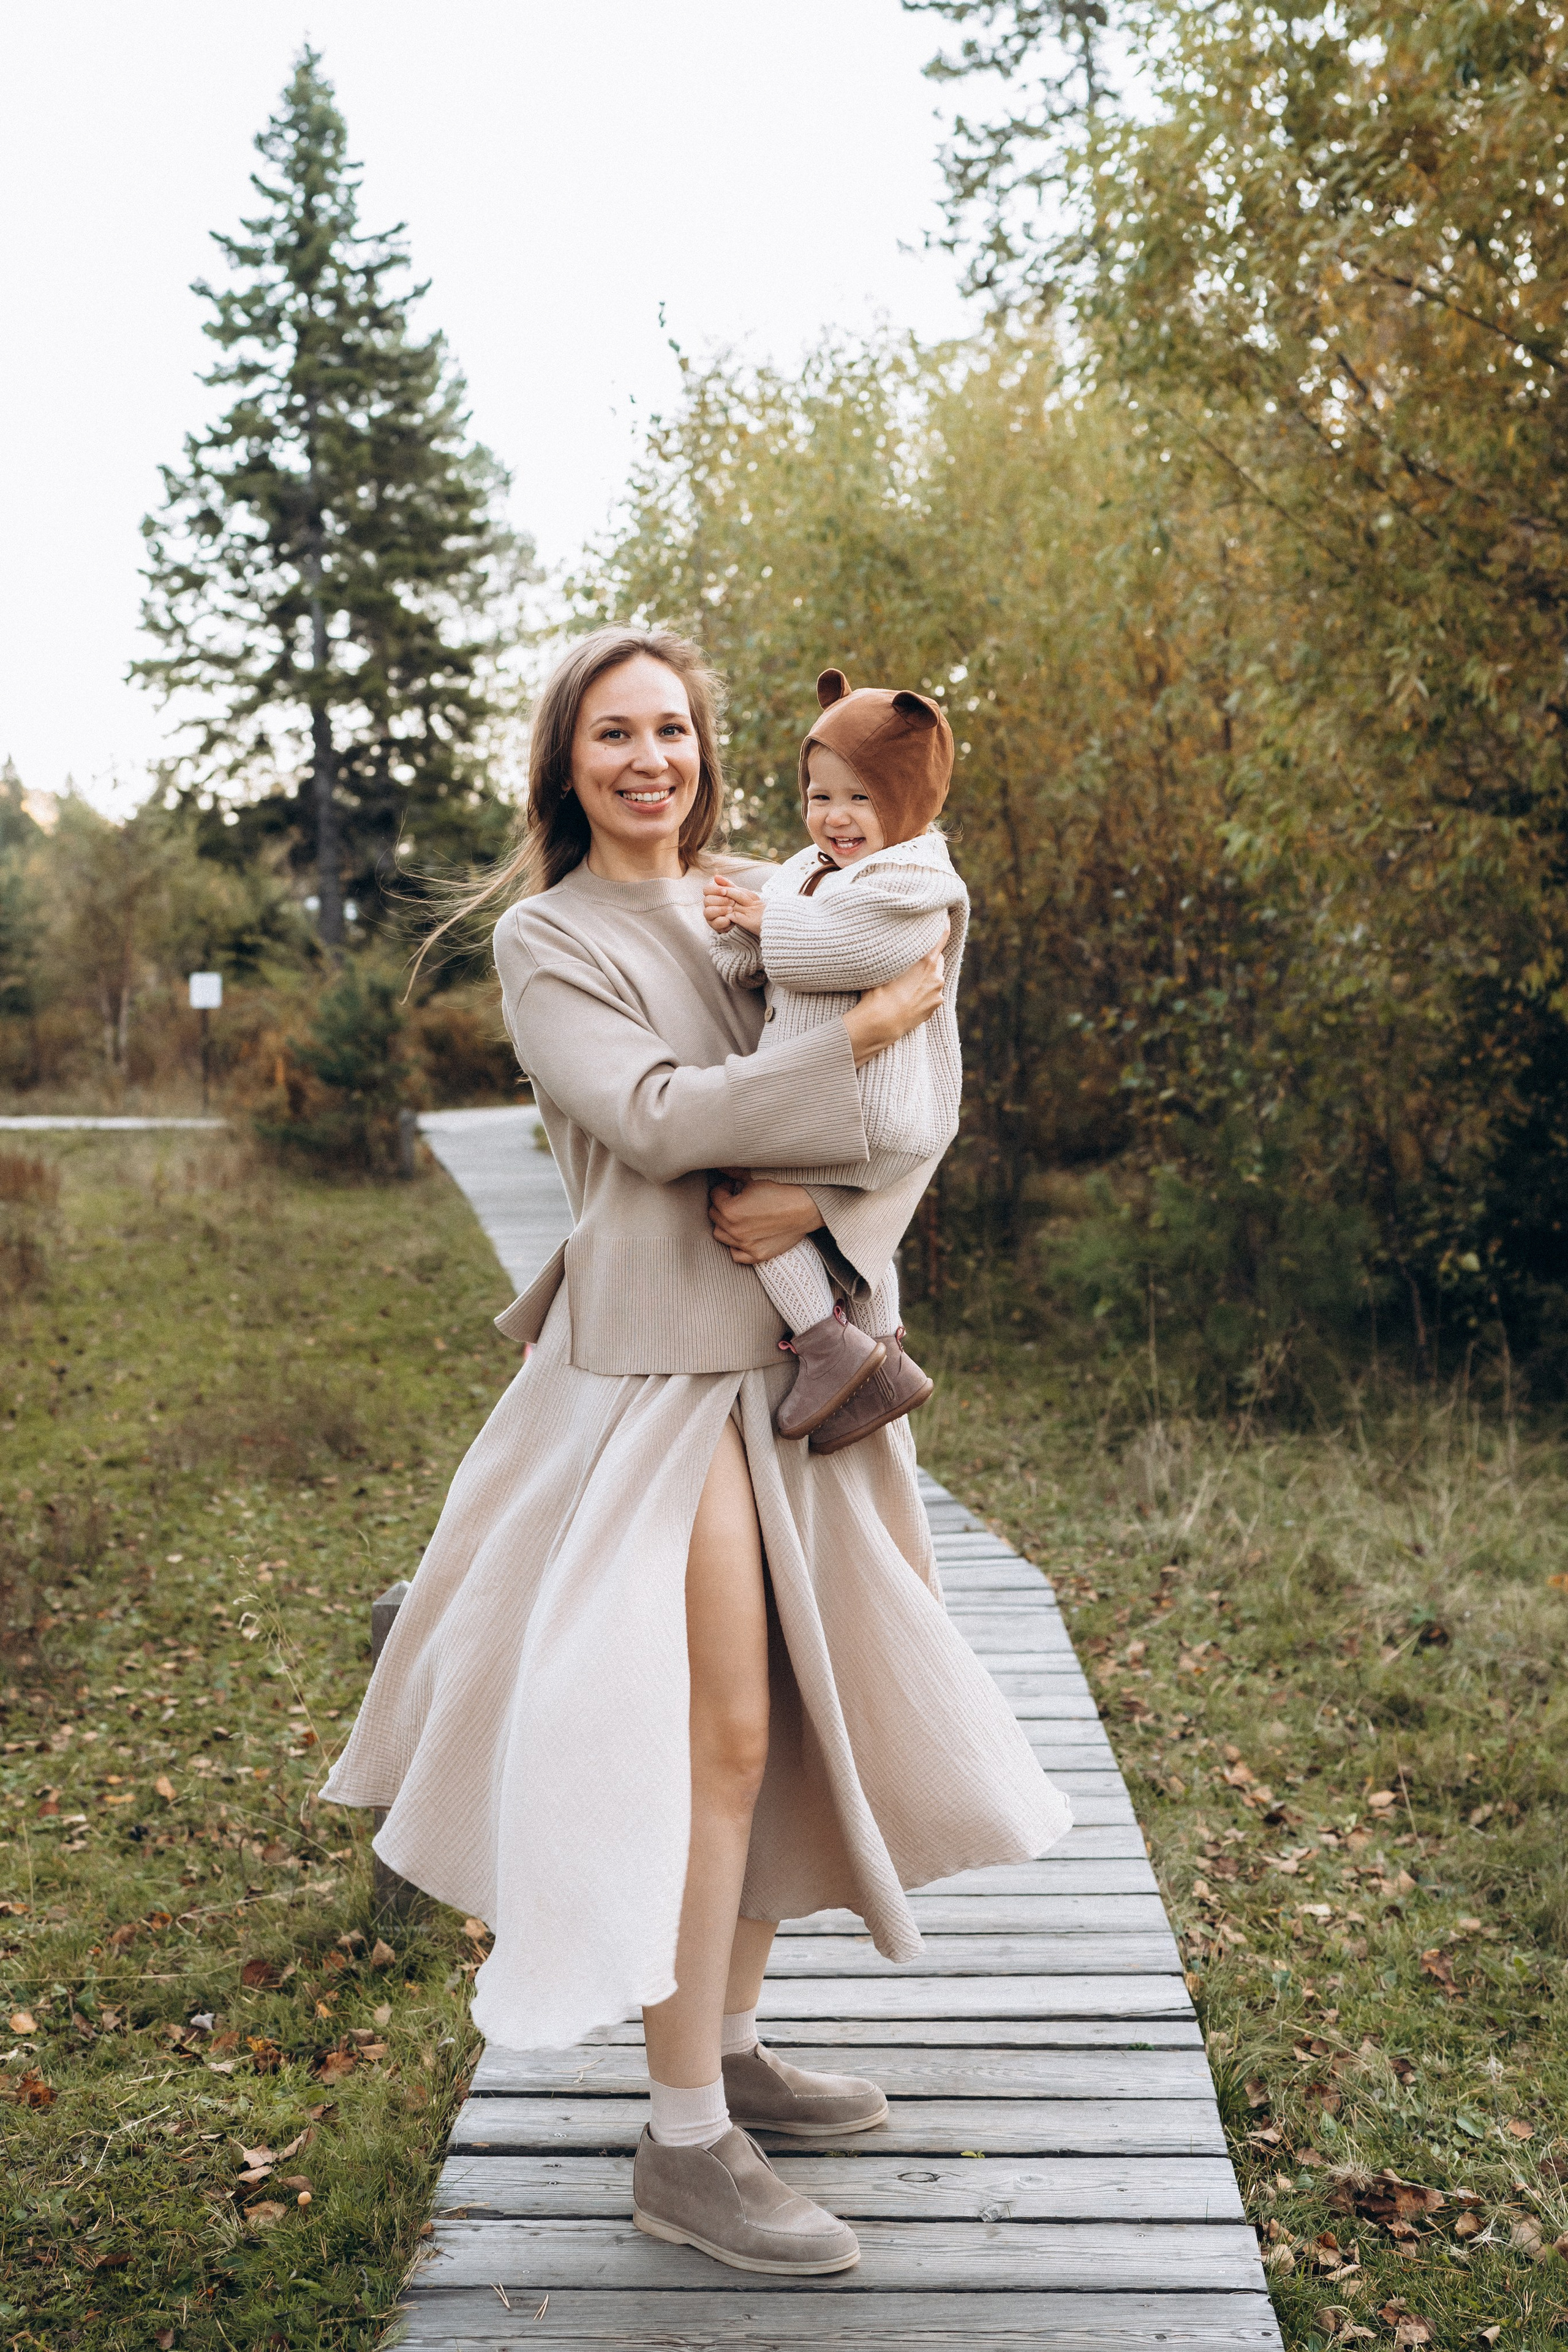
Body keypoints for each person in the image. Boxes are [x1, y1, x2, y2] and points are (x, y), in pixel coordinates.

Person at [321, 625, 1070, 2278]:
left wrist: (838, 1197)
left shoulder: (766, 894)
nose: (649, 758)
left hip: (801, 1365)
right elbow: (656, 1117)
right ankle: (682, 2146)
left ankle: (725, 2042)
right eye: (614, 734)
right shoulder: (550, 938)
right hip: (664, 1381)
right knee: (712, 1736)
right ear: (566, 762)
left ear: (705, 751)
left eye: (672, 729)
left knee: (785, 1726)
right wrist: (858, 1036)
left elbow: (922, 1102)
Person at [703, 665, 967, 1450]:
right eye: (820, 797)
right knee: (850, 1239)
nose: (836, 818)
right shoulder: (805, 871)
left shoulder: (917, 879)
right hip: (838, 1091)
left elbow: (844, 952)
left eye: (861, 798)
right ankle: (881, 1357)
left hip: (868, 1097)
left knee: (743, 1192)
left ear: (910, 803)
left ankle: (827, 1346)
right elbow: (748, 965)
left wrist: (763, 920)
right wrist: (733, 929)